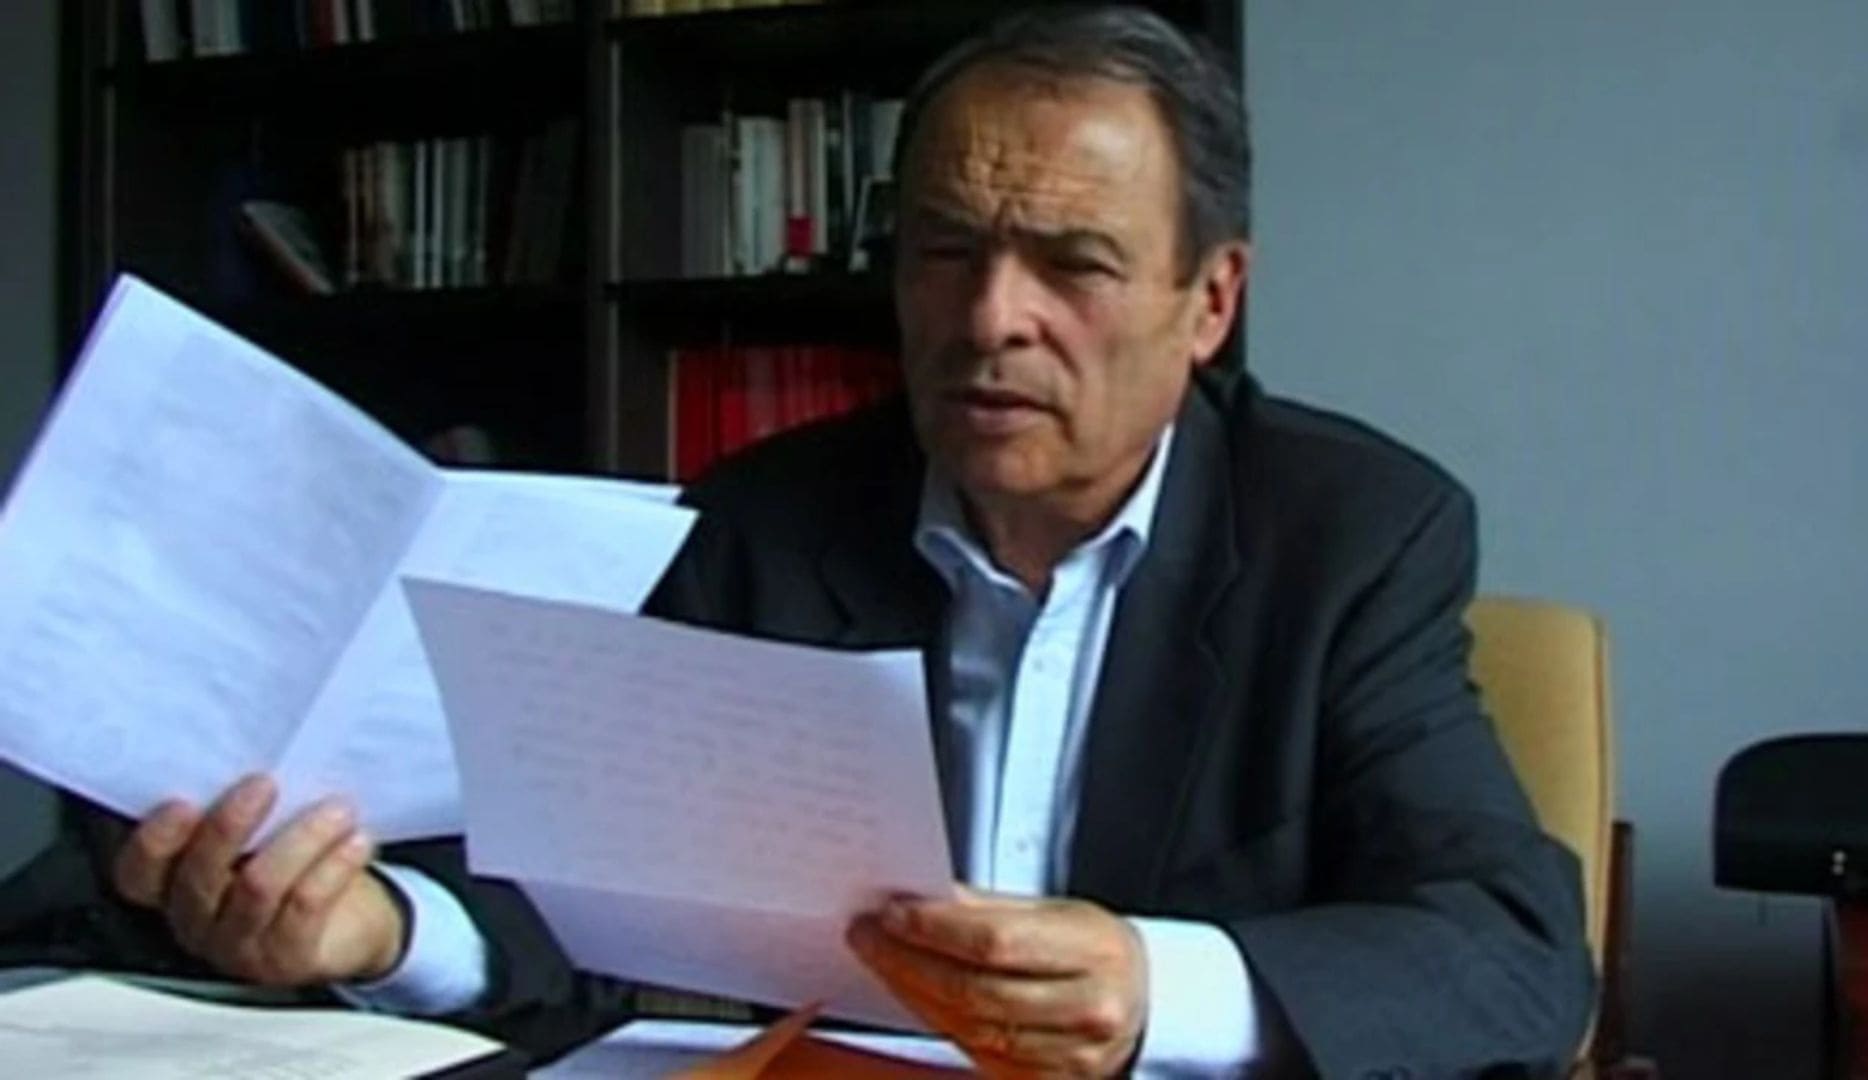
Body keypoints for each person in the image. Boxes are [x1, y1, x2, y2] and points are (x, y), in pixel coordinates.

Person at [1, 6, 1595, 1076]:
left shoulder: (1348, 537)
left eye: (1075, 264)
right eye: (946, 251)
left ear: (1211, 302)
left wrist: (1150, 983)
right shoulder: (767, 521)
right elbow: (586, 891)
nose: (992, 317)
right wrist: (388, 932)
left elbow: (1511, 954)